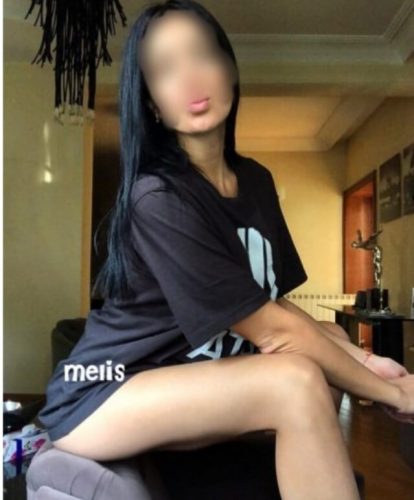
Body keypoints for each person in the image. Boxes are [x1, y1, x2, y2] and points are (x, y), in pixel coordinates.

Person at [37, 1, 414, 499]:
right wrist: (396, 394)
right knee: (295, 378)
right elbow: (274, 332)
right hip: (105, 389)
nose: (190, 78)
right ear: (153, 103)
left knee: (326, 334)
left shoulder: (256, 181)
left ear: (229, 69)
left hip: (179, 377)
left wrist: (366, 363)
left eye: (202, 55)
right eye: (165, 70)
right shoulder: (159, 197)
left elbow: (273, 304)